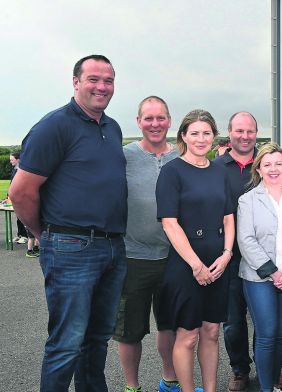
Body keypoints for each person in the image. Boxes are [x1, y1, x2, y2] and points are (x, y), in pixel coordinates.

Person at [10, 54, 128, 391]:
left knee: (97, 341)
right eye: (93, 79)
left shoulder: (112, 127)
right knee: (66, 344)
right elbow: (21, 192)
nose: (102, 86)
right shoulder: (55, 126)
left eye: (108, 80)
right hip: (71, 246)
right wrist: (42, 233)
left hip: (111, 246)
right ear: (76, 82)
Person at [156, 109, 235, 392]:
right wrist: (196, 265)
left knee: (212, 332)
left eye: (206, 133)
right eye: (194, 133)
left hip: (218, 262)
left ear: (214, 137)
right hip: (185, 264)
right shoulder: (171, 171)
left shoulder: (219, 171)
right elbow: (169, 223)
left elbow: (228, 217)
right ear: (183, 136)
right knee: (188, 335)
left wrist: (227, 255)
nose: (201, 139)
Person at [113, 96, 181, 392]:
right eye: (149, 118)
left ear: (169, 120)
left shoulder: (183, 155)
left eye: (161, 118)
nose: (155, 124)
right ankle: (132, 386)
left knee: (170, 326)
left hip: (174, 257)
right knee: (129, 331)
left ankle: (169, 381)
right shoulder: (122, 157)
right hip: (133, 256)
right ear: (138, 122)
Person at [237, 142, 282, 392]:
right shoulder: (247, 200)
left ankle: (274, 385)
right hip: (260, 279)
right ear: (258, 169)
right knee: (267, 333)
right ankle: (266, 388)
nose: (273, 168)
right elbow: (246, 240)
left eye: (278, 163)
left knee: (281, 334)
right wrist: (274, 272)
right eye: (267, 164)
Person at [214, 111, 257, 391]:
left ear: (256, 133)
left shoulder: (267, 166)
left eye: (250, 131)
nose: (244, 136)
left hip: (263, 259)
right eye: (239, 131)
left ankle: (269, 366)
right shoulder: (216, 168)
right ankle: (240, 369)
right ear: (230, 133)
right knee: (232, 322)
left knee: (266, 319)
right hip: (228, 256)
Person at [7, 152, 28, 245]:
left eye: (12, 159)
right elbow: (12, 185)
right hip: (15, 198)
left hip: (22, 199)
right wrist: (8, 196)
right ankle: (20, 235)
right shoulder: (14, 170)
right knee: (18, 218)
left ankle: (25, 236)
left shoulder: (22, 171)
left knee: (23, 218)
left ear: (18, 159)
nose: (10, 161)